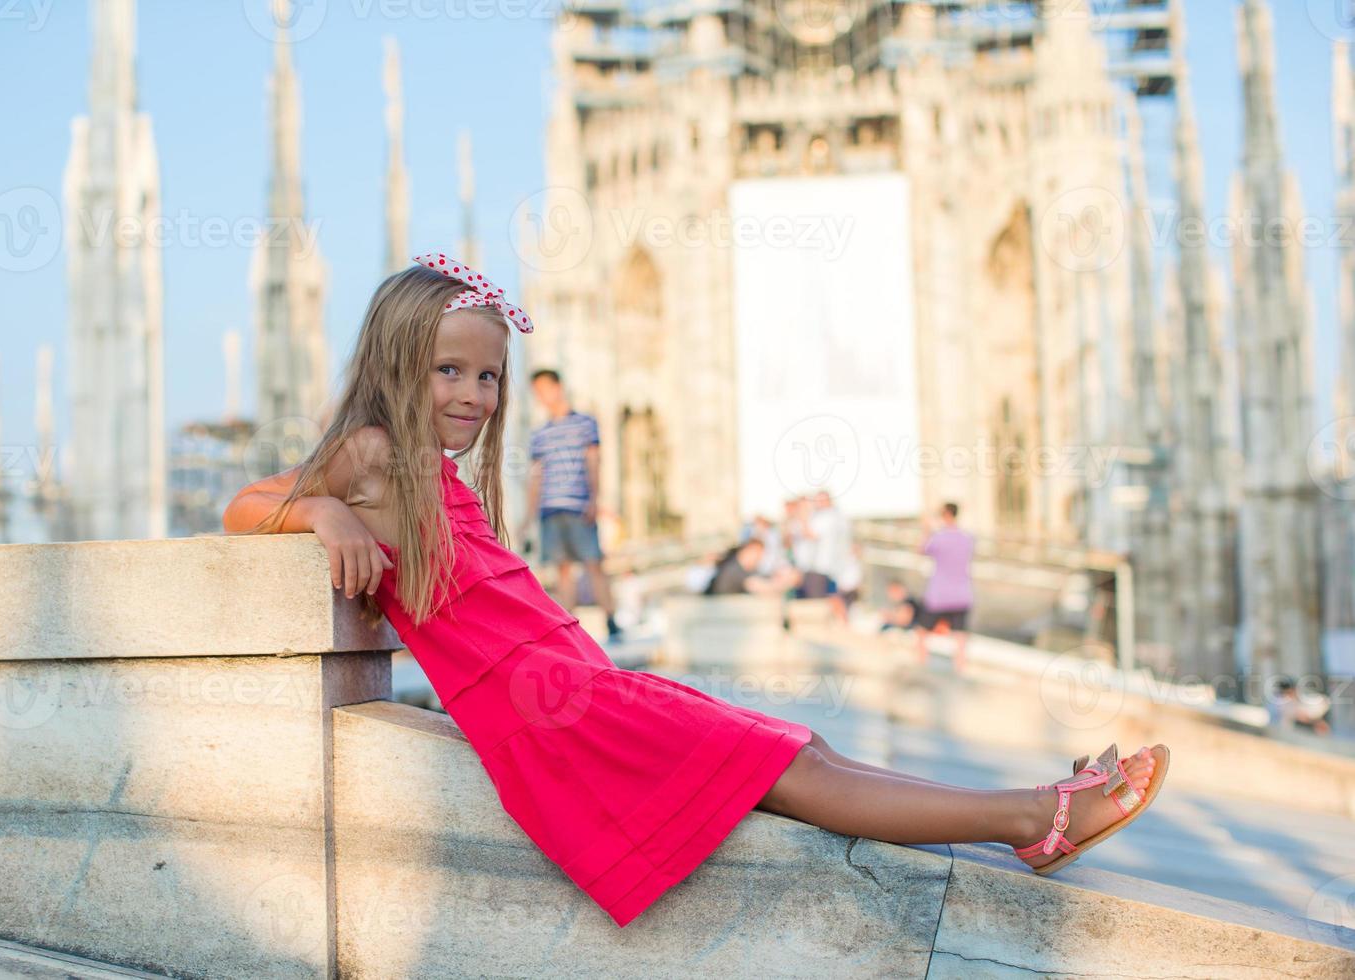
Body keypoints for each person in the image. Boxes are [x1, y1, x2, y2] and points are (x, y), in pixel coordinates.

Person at [221, 251, 1171, 929]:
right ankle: (1032, 816)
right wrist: (325, 516)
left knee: (803, 746)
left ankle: (1028, 809)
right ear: (396, 365)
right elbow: (245, 505)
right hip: (560, 716)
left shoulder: (436, 470)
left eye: (489, 376)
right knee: (793, 770)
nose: (476, 394)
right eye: (450, 371)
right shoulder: (377, 456)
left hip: (581, 688)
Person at [520, 368, 623, 642]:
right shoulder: (539, 434)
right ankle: (571, 631)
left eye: (544, 389)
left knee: (593, 563)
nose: (541, 396)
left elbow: (594, 462)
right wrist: (528, 517)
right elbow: (536, 476)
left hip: (578, 505)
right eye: (537, 392)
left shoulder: (586, 424)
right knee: (561, 568)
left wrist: (594, 499)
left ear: (558, 387)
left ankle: (612, 621)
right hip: (549, 509)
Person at [916, 502, 974, 673]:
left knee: (921, 633)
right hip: (962, 594)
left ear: (945, 515)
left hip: (939, 595)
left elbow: (921, 550)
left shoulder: (938, 538)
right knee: (960, 638)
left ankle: (922, 668)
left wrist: (927, 530)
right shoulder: (967, 538)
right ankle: (960, 671)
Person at [703, 538, 800, 596]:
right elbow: (759, 586)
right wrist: (786, 584)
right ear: (750, 550)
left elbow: (763, 577)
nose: (759, 559)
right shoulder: (734, 569)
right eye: (759, 554)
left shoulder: (742, 567)